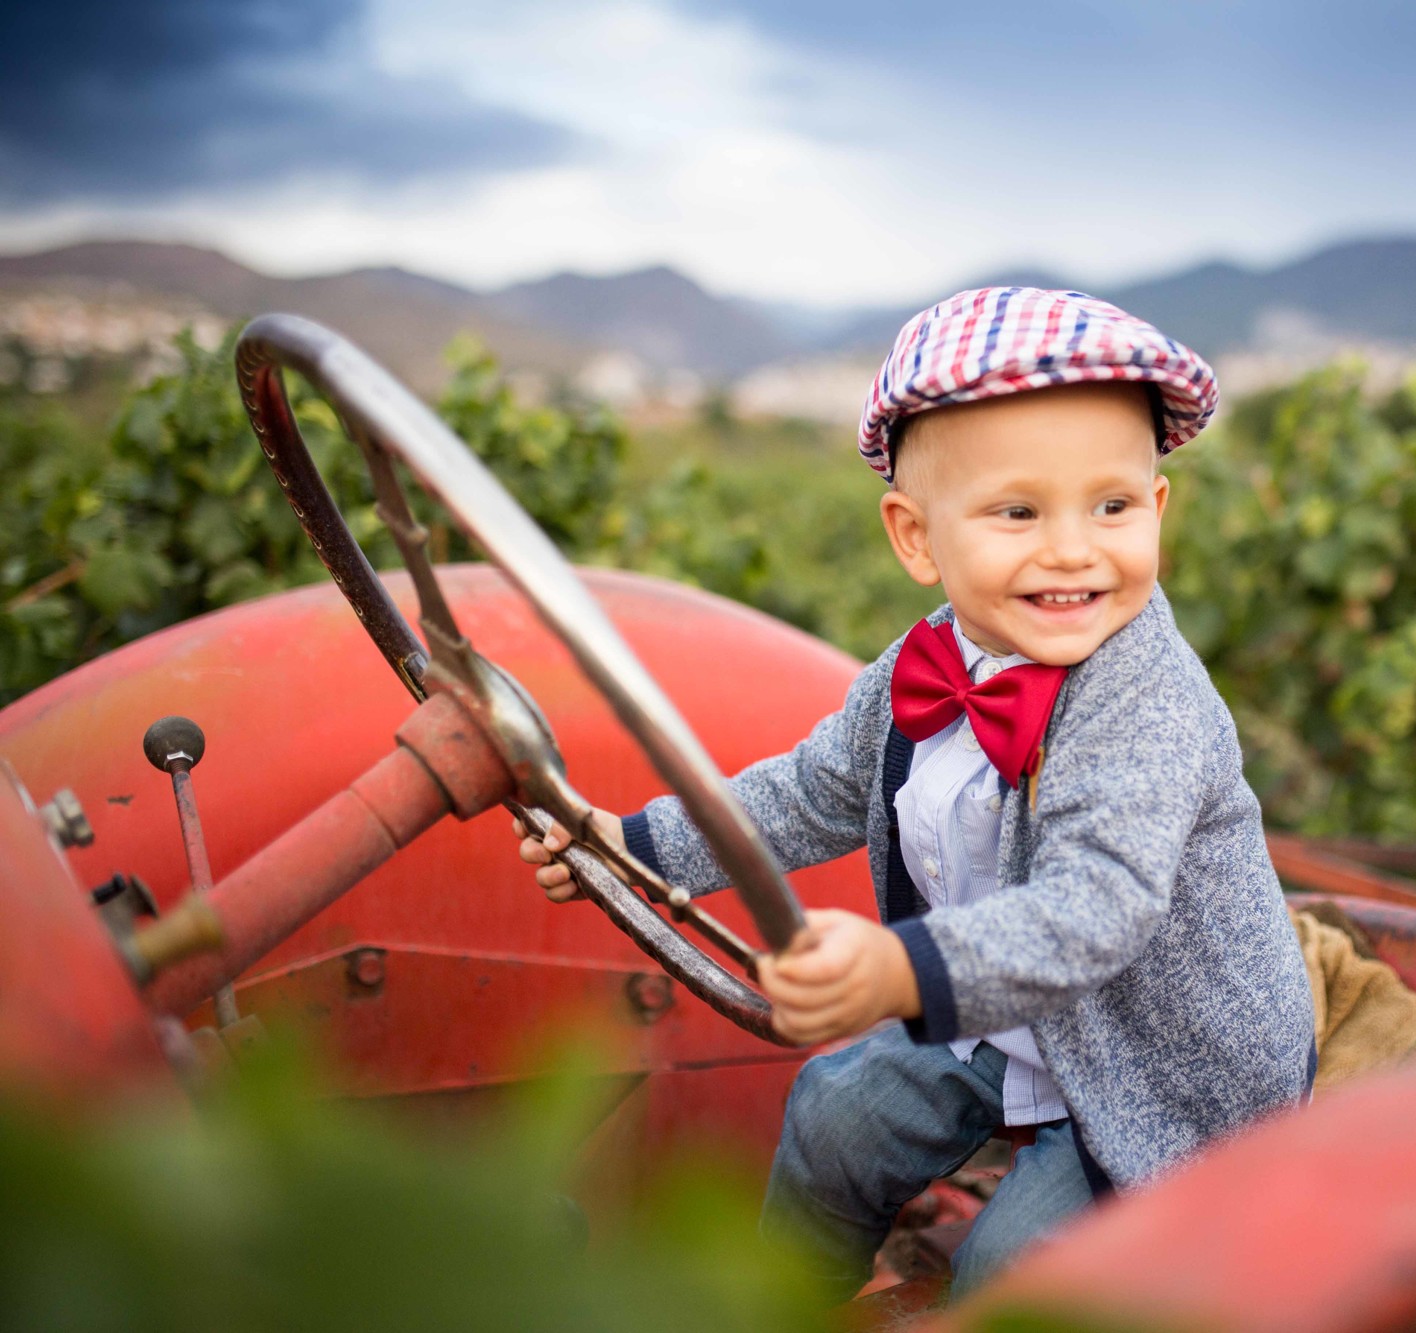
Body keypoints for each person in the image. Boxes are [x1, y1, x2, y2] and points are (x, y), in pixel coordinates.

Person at [517, 287, 1314, 1300]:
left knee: (1015, 1271)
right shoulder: (924, 664)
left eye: (1109, 505)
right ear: (916, 538)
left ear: (1155, 509)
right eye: (1017, 511)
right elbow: (811, 791)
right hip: (1001, 1011)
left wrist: (900, 970)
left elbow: (1096, 908)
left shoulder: (1143, 702)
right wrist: (633, 846)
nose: (1072, 548)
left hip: (1160, 1064)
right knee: (834, 1112)